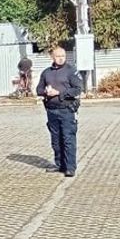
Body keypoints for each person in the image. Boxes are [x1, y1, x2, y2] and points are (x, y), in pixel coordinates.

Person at [36, 46, 84, 177]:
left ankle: (70, 167)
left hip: (67, 110)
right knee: (56, 140)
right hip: (51, 110)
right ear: (52, 57)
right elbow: (38, 89)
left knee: (68, 139)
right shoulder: (46, 72)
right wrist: (46, 91)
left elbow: (78, 89)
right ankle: (59, 164)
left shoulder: (71, 71)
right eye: (58, 56)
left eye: (63, 56)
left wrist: (59, 93)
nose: (61, 58)